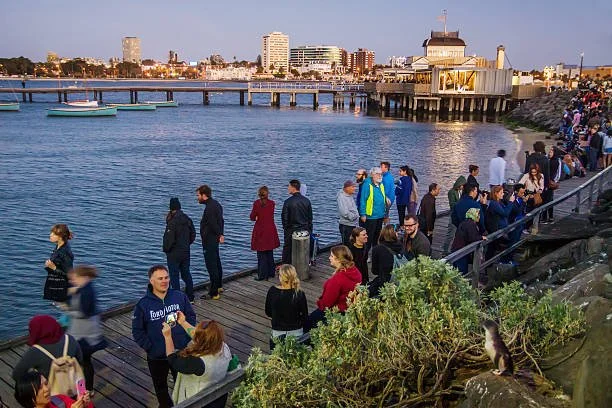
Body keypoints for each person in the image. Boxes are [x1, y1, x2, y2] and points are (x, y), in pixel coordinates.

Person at [132, 265, 196, 408]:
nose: (164, 281)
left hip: (179, 350)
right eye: (160, 278)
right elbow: (137, 331)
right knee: (160, 387)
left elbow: (191, 317)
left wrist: (185, 339)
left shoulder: (179, 296)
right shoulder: (143, 305)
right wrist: (151, 347)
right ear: (151, 281)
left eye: (166, 277)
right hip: (157, 355)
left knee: (183, 385)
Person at [162, 315, 233, 407]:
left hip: (197, 402)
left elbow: (172, 359)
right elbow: (202, 336)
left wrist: (167, 336)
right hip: (217, 399)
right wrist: (183, 323)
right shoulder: (224, 347)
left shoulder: (197, 362)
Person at [66, 265, 107, 394]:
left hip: (84, 335)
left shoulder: (86, 292)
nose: (72, 281)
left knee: (81, 361)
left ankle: (84, 389)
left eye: (74, 278)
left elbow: (84, 313)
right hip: (86, 333)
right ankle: (87, 388)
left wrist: (66, 309)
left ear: (83, 277)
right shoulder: (86, 288)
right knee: (85, 361)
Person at [306, 245, 361, 331]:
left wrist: (320, 303)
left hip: (337, 311)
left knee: (309, 322)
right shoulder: (355, 272)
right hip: (349, 308)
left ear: (339, 260)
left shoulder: (337, 280)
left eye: (332, 256)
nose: (329, 258)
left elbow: (326, 303)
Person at [12, 315, 83, 383]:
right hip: (73, 384)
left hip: (49, 390)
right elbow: (80, 358)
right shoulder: (69, 338)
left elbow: (16, 375)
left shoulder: (35, 351)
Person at [265, 264, 308, 349]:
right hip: (296, 330)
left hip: (278, 330)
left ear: (281, 277)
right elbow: (305, 315)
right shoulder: (299, 293)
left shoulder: (273, 291)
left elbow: (268, 312)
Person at [163, 197, 196, 302]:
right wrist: (187, 244)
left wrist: (166, 249)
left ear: (171, 208)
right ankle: (190, 296)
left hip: (174, 253)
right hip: (185, 251)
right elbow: (193, 234)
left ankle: (177, 299)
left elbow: (169, 239)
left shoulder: (172, 222)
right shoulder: (187, 219)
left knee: (174, 276)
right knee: (186, 273)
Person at [196, 185, 225, 300]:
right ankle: (218, 286)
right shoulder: (216, 204)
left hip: (209, 239)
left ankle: (213, 292)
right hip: (214, 239)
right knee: (216, 262)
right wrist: (221, 234)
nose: (197, 198)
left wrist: (219, 234)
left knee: (211, 265)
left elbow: (213, 224)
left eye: (198, 195)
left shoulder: (209, 208)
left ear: (204, 195)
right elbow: (221, 221)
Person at [14, 371, 93, 408]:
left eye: (46, 383)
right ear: (30, 397)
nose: (46, 389)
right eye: (39, 388)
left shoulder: (59, 399)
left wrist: (85, 404)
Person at [250, 186, 280, 281]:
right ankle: (271, 272)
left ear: (259, 194)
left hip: (260, 229)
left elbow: (252, 217)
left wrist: (256, 218)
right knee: (269, 252)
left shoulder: (256, 204)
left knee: (261, 253)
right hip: (270, 229)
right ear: (267, 194)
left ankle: (262, 274)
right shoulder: (272, 203)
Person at [281, 179, 313, 265]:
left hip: (291, 229)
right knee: (303, 249)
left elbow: (284, 218)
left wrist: (286, 229)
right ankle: (303, 266)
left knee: (288, 250)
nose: (288, 188)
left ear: (293, 188)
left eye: (289, 187)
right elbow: (310, 218)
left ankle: (287, 268)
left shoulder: (288, 202)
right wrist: (309, 229)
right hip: (304, 229)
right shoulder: (306, 201)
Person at [359, 167, 388, 254]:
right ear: (372, 175)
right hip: (370, 216)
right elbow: (363, 200)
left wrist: (385, 214)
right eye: (377, 174)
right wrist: (363, 214)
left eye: (380, 174)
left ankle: (375, 253)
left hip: (380, 215)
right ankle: (365, 254)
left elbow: (382, 198)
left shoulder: (381, 184)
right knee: (369, 237)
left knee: (377, 237)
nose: (380, 176)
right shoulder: (367, 185)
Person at [369, 225, 404, 297]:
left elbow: (374, 271)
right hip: (400, 280)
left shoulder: (377, 249)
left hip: (385, 282)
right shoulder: (402, 246)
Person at [43, 224, 74, 303]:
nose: (50, 235)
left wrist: (54, 268)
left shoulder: (64, 252)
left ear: (60, 237)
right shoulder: (59, 246)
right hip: (57, 286)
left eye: (53, 234)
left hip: (63, 290)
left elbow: (69, 275)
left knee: (67, 312)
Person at [451, 208, 487, 276]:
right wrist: (481, 237)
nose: (479, 217)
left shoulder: (464, 222)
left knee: (455, 271)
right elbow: (472, 237)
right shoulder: (471, 224)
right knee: (461, 272)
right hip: (461, 251)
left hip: (456, 249)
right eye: (478, 215)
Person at [443, 176, 466, 254]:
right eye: (463, 185)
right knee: (450, 234)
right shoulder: (451, 192)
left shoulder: (461, 192)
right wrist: (461, 204)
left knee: (457, 234)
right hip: (453, 215)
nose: (463, 187)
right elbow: (452, 204)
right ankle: (445, 251)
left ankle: (453, 249)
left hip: (459, 215)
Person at [337, 180, 359, 246]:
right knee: (347, 245)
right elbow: (344, 213)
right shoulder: (342, 198)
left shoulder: (349, 195)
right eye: (353, 187)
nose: (354, 189)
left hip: (352, 224)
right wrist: (354, 217)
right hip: (346, 225)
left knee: (351, 243)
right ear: (347, 188)